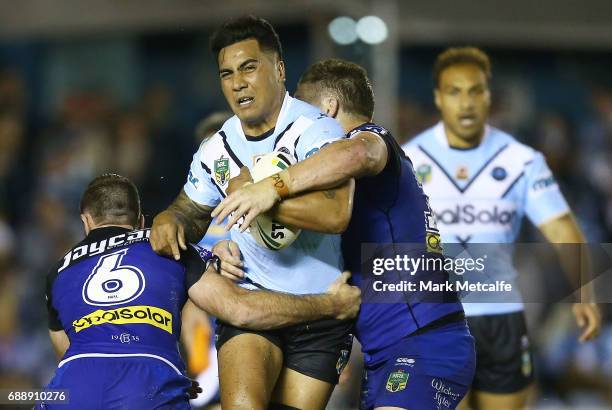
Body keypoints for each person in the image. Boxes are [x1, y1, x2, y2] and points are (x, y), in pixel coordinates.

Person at [213, 59, 476, 410]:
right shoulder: (331, 184)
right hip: (385, 354)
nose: (295, 126)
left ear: (329, 108)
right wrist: (227, 245)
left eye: (303, 113)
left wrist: (270, 187)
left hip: (423, 342)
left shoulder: (368, 140)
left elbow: (360, 153)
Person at [150, 16, 355, 410]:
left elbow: (336, 214)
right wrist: (169, 221)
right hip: (253, 307)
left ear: (279, 69)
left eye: (249, 67)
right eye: (226, 73)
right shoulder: (216, 149)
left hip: (321, 313)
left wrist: (267, 197)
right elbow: (189, 211)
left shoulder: (317, 131)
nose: (237, 82)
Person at [41, 174, 360, 410]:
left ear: (85, 222)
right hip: (150, 385)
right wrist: (329, 305)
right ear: (140, 221)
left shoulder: (57, 273)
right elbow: (241, 310)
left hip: (71, 389)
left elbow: (66, 353)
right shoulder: (166, 246)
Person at [402, 47, 601, 409]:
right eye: (454, 91)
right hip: (437, 318)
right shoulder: (409, 160)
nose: (466, 103)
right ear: (438, 97)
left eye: (475, 91)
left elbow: (562, 230)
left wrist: (584, 295)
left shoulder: (522, 161)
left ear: (488, 96)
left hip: (501, 317)